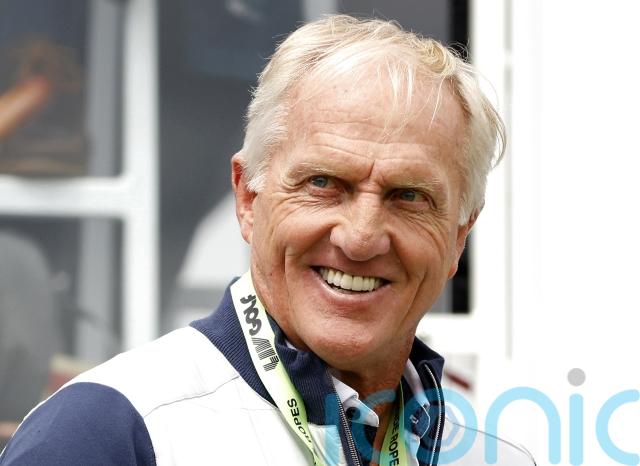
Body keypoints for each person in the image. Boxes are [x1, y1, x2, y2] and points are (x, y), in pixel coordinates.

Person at [0, 15, 534, 466]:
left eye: (409, 195)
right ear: (248, 199)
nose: (361, 237)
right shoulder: (109, 432)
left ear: (459, 236)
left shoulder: (500, 459)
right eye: (323, 183)